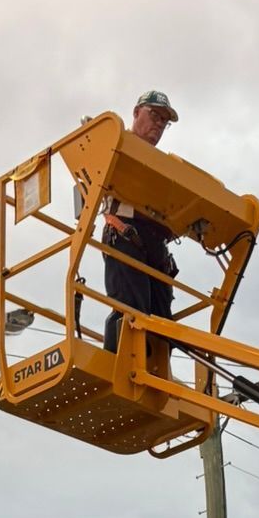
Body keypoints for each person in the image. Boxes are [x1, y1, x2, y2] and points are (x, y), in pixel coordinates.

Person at [102, 90, 180, 352]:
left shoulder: (166, 168)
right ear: (136, 113)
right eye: (154, 115)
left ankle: (155, 374)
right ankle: (120, 364)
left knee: (162, 322)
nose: (159, 124)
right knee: (130, 308)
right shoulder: (115, 144)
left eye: (164, 121)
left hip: (155, 244)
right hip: (126, 232)